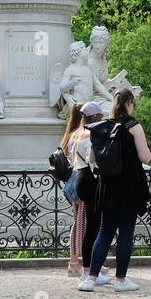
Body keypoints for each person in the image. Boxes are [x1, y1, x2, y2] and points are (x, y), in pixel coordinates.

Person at [79, 89, 149, 293]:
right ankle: (120, 280)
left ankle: (90, 278)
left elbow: (92, 158)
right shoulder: (133, 125)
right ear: (129, 102)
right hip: (129, 185)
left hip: (107, 185)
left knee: (104, 231)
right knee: (125, 232)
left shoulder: (102, 126)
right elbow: (145, 157)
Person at [63, 101, 109, 283]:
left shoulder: (76, 133)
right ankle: (89, 272)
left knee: (89, 225)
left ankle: (87, 269)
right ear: (96, 117)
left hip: (79, 178)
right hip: (90, 180)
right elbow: (94, 160)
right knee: (93, 227)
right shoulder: (91, 135)